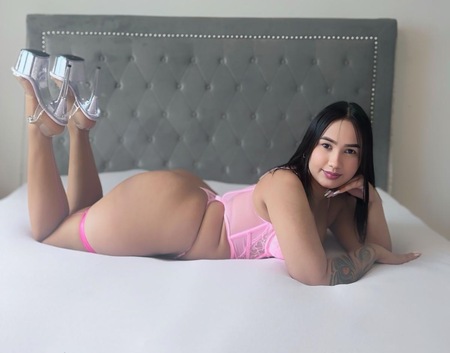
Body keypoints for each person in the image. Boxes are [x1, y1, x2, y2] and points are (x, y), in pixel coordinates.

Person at [12, 49, 420, 286]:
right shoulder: (286, 184)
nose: (334, 162)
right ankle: (37, 118)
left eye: (350, 152)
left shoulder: (338, 202)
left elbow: (379, 247)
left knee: (82, 216)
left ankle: (79, 125)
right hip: (170, 217)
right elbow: (315, 274)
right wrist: (371, 253)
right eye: (326, 146)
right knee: (50, 235)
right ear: (310, 145)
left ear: (361, 159)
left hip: (187, 207)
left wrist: (371, 197)